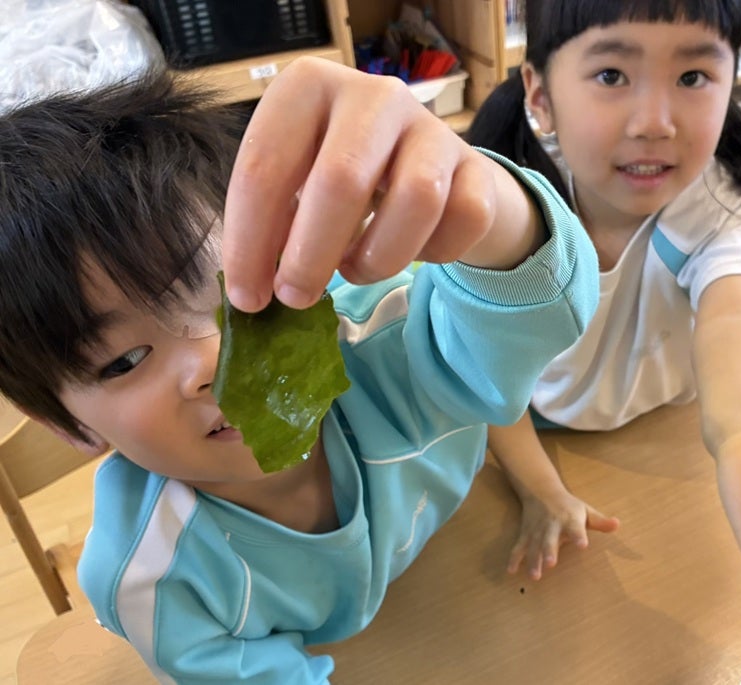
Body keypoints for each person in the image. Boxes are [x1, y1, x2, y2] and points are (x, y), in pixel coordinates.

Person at [0, 58, 599, 683]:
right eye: (124, 360)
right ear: (65, 424)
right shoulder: (154, 578)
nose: (212, 362)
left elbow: (521, 324)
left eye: (232, 292)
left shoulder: (382, 340)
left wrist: (491, 210)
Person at [466, 0, 741, 666]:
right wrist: (541, 488)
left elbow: (736, 312)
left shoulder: (718, 209)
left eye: (693, 77)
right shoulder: (508, 204)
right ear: (540, 93)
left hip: (655, 431)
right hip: (520, 429)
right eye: (612, 75)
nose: (654, 123)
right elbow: (480, 370)